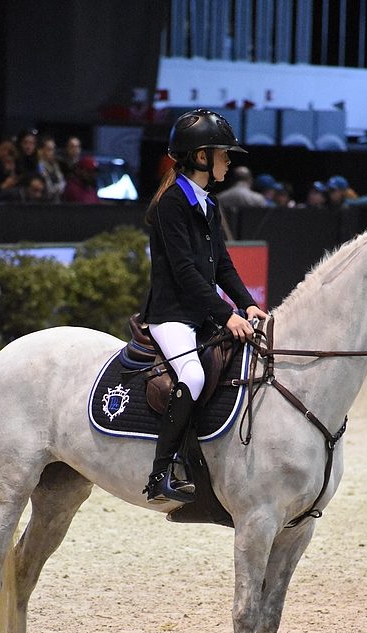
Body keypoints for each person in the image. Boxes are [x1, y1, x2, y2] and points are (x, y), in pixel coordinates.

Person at [139, 108, 267, 504]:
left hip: (199, 315)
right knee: (192, 376)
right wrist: (225, 314)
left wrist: (248, 305)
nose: (228, 161)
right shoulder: (171, 205)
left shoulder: (208, 204)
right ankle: (160, 473)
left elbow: (222, 265)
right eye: (223, 154)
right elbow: (186, 273)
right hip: (171, 315)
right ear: (200, 158)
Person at [37, 134, 65, 202]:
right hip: (43, 203)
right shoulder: (39, 166)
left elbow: (63, 183)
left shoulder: (55, 165)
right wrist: (58, 188)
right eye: (49, 149)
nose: (52, 152)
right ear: (41, 150)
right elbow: (48, 189)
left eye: (53, 149)